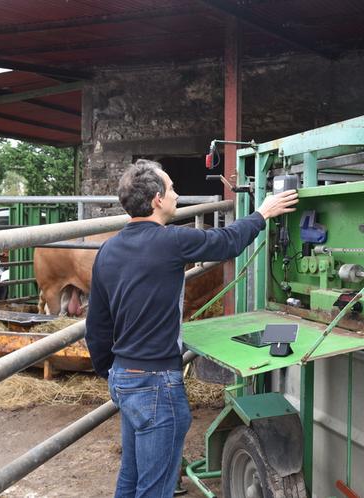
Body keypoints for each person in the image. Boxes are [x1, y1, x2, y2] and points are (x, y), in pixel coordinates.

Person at [85, 158, 298, 498]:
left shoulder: (108, 249)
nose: (176, 194)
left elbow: (96, 325)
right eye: (171, 188)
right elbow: (226, 242)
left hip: (124, 376)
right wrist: (263, 213)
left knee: (132, 474)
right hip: (156, 382)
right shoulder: (170, 241)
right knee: (155, 487)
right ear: (157, 199)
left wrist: (110, 371)